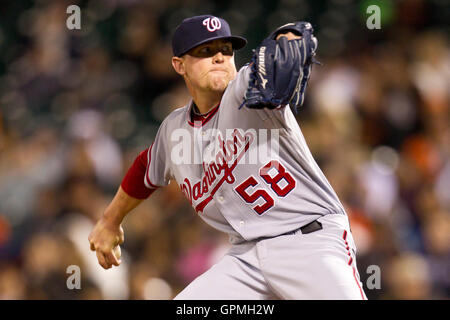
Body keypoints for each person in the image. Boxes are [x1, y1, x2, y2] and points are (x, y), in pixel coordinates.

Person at [88, 14, 367, 300]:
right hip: (246, 260)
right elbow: (146, 168)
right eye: (206, 51)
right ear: (179, 64)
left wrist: (289, 36)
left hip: (308, 240)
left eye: (226, 50)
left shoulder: (248, 89)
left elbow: (294, 36)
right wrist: (110, 221)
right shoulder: (174, 130)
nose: (220, 57)